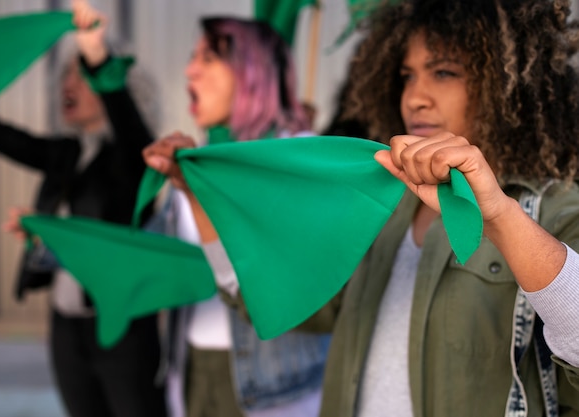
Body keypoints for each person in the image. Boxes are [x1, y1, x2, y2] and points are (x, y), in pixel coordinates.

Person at [145, 0, 579, 416]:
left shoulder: (555, 212)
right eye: (406, 75)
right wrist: (199, 200)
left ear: (510, 85)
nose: (415, 97)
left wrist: (501, 218)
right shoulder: (382, 204)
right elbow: (300, 305)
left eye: (444, 72)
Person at [0, 1, 166, 416]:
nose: (67, 85)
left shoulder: (135, 159)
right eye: (66, 74)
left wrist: (96, 55)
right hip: (66, 325)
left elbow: (127, 123)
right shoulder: (67, 153)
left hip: (121, 328)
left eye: (81, 76)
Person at [142, 17, 330, 417]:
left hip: (274, 391)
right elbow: (157, 258)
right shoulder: (194, 162)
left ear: (252, 72)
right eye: (193, 58)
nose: (189, 70)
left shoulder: (298, 162)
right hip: (193, 373)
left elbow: (293, 290)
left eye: (208, 58)